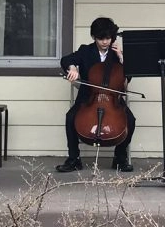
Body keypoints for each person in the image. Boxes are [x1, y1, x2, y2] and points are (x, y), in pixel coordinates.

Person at [56, 17, 136, 173]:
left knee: (131, 121)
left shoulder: (117, 55)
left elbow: (128, 78)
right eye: (101, 38)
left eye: (108, 38)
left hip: (113, 100)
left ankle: (119, 158)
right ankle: (74, 159)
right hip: (88, 99)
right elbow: (66, 59)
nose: (105, 42)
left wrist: (122, 58)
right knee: (70, 117)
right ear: (94, 37)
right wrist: (72, 68)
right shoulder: (86, 51)